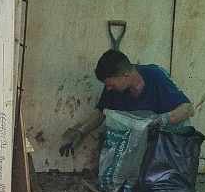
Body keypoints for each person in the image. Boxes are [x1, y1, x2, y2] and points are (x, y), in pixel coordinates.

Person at [59, 49, 193, 156]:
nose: (108, 88)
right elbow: (101, 113)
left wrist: (161, 120)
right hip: (132, 148)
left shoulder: (155, 76)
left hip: (159, 147)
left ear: (125, 75)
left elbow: (187, 108)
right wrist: (81, 132)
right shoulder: (112, 89)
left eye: (111, 84)